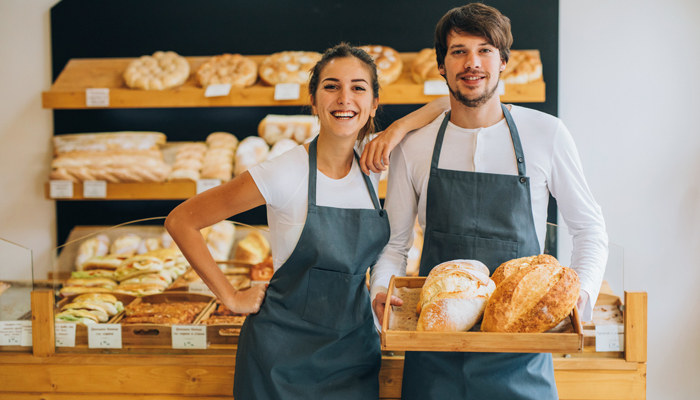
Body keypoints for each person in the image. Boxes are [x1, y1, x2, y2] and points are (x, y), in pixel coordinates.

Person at [363, 4, 608, 399]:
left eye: (485, 50)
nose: (471, 63)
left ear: (504, 62)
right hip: (434, 350)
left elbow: (590, 229)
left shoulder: (546, 135)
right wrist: (381, 290)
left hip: (521, 354)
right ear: (441, 65)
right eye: (458, 51)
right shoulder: (416, 146)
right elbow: (395, 244)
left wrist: (582, 295)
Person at [165, 43, 389, 400]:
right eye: (331, 86)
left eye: (358, 88)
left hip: (353, 353)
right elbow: (181, 221)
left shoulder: (375, 165)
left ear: (374, 103)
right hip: (279, 360)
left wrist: (398, 128)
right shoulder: (284, 171)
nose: (345, 98)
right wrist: (231, 297)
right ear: (313, 101)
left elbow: (442, 108)